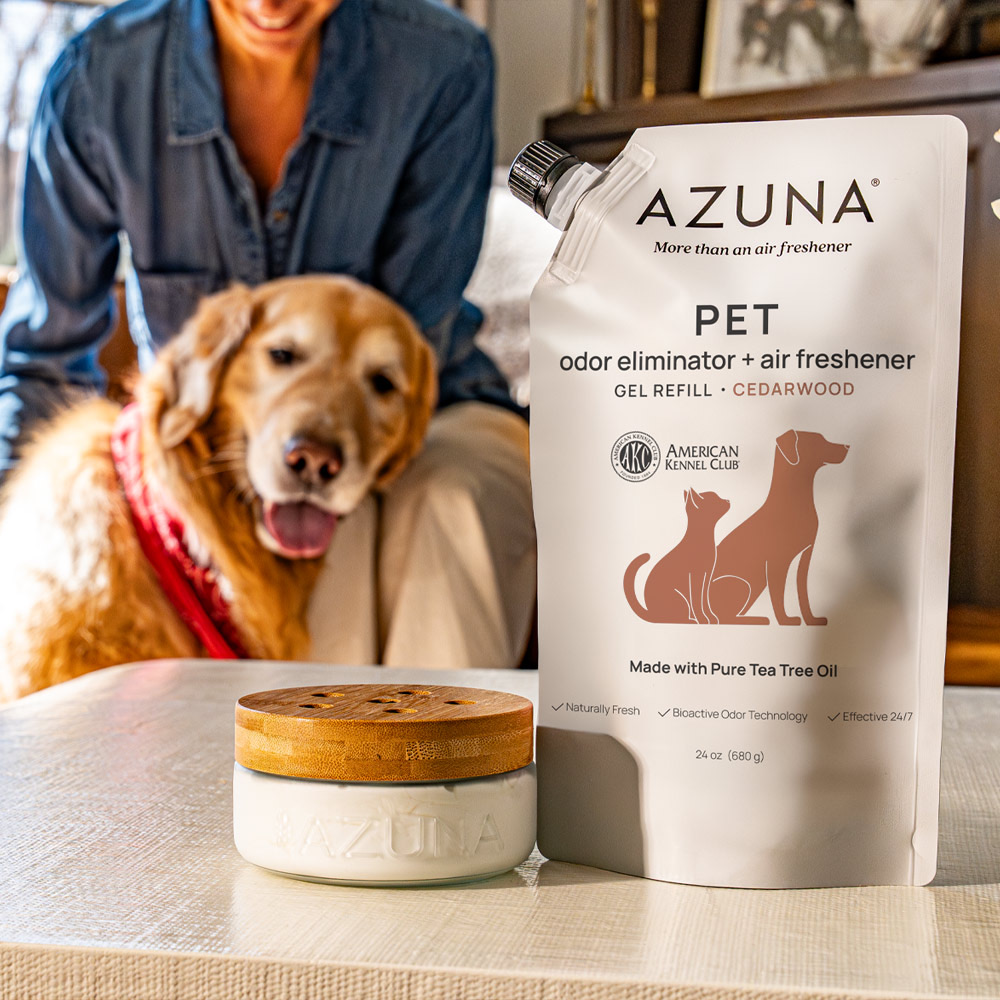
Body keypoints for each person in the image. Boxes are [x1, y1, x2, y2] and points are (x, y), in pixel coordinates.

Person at [0, 0, 536, 669]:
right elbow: (46, 360)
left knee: (443, 506)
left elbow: (407, 332)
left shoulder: (443, 63)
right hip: (206, 436)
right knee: (300, 563)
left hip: (433, 410)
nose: (271, 3)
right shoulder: (98, 75)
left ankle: (448, 739)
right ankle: (298, 742)